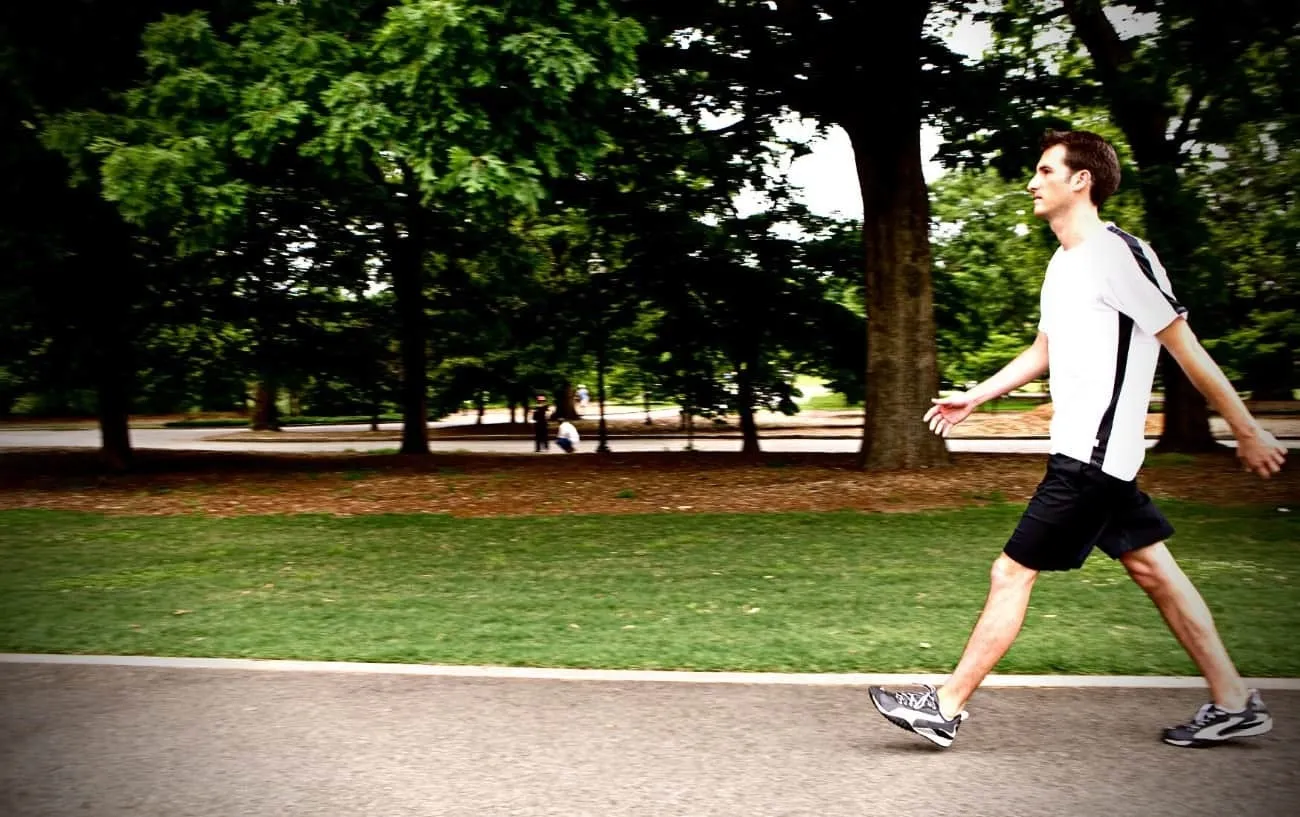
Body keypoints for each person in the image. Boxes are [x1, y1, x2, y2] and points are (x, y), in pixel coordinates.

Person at [867, 129, 1288, 750]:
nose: (1032, 183)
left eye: (1044, 171)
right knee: (1156, 572)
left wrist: (1245, 429)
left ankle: (945, 705)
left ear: (1080, 180)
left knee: (1011, 573)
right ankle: (1233, 700)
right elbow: (1045, 349)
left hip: (1093, 460)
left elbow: (1183, 345)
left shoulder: (1120, 256)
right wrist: (977, 395)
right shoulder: (1063, 262)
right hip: (1091, 455)